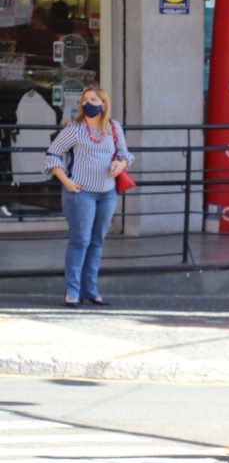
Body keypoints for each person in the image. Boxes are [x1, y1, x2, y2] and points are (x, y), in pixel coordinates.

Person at [44, 86, 133, 308]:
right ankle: (72, 292)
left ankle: (90, 290)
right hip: (80, 193)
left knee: (96, 242)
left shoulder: (114, 127)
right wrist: (67, 181)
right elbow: (51, 154)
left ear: (104, 103)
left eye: (93, 99)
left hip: (108, 193)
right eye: (85, 100)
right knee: (81, 240)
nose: (88, 103)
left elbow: (125, 154)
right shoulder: (74, 129)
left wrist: (119, 165)